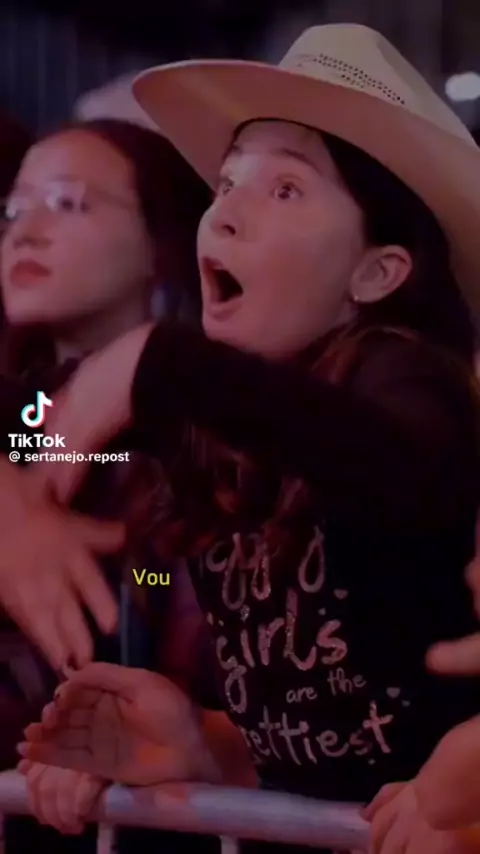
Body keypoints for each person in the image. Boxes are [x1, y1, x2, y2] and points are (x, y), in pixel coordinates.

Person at [13, 22, 480, 852]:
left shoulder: (398, 378)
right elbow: (152, 565)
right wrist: (198, 738)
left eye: (286, 189)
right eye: (227, 182)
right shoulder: (204, 426)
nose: (224, 213)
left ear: (377, 271)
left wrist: (168, 364)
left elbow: (409, 474)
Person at [0, 119, 220, 849]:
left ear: (161, 245)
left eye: (68, 202)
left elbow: (165, 582)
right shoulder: (23, 411)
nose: (25, 232)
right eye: (13, 208)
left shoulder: (202, 433)